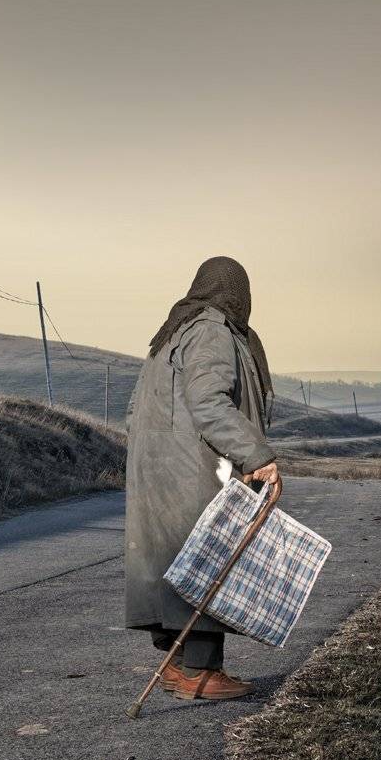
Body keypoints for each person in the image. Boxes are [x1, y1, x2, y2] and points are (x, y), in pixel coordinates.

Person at [124, 256, 279, 701]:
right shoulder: (212, 329)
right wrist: (256, 456)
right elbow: (210, 402)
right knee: (210, 561)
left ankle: (176, 664)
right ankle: (201, 672)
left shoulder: (173, 330)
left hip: (159, 470)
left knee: (172, 564)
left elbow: (133, 412)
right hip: (194, 469)